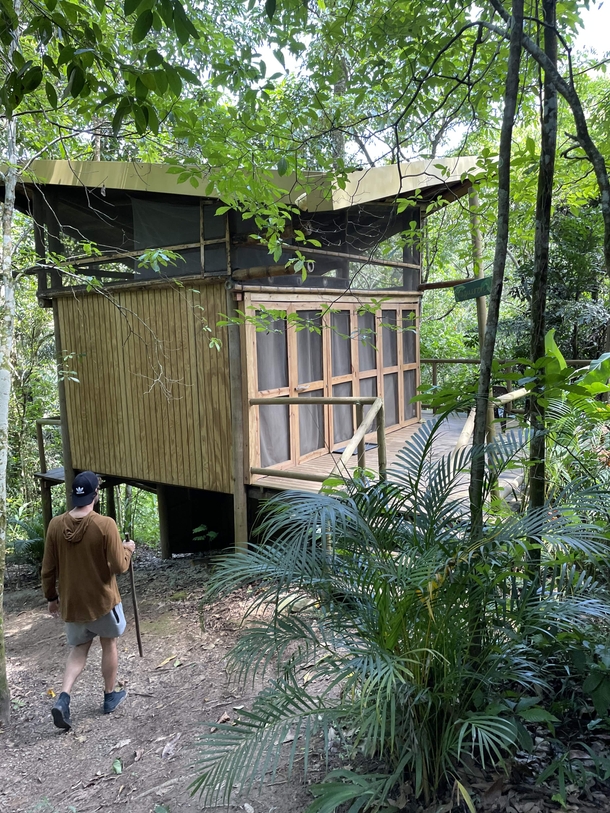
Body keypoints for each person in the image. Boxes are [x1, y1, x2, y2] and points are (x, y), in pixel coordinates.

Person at [41, 470, 136, 730]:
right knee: (109, 642)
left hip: (73, 603)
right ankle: (109, 696)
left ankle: (63, 697)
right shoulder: (105, 525)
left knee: (79, 648)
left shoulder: (55, 525)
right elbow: (119, 566)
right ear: (96, 494)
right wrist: (127, 550)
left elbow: (48, 569)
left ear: (74, 496)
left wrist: (51, 597)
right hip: (103, 600)